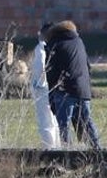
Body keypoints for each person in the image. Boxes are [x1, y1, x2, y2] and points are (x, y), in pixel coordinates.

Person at [45, 20, 100, 149]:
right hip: (83, 90)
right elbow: (88, 67)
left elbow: (51, 71)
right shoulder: (79, 42)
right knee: (87, 122)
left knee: (64, 125)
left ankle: (67, 153)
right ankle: (98, 150)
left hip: (65, 91)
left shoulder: (55, 44)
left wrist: (51, 93)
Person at [28, 22, 61, 149]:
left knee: (45, 121)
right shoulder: (57, 46)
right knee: (54, 120)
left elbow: (39, 68)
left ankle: (48, 147)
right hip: (54, 86)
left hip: (42, 88)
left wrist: (36, 85)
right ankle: (57, 147)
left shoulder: (40, 48)